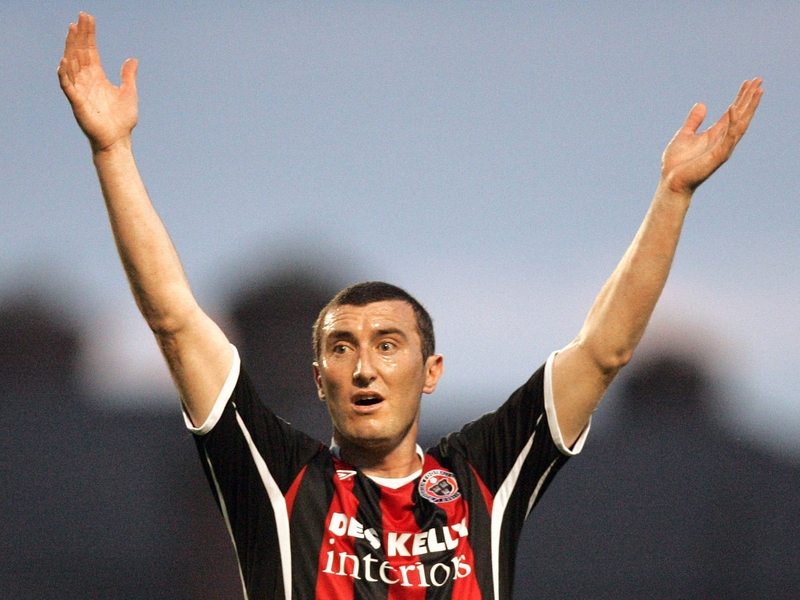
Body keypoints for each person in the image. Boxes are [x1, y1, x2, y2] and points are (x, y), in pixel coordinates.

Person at [58, 12, 762, 600]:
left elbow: (604, 351)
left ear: (431, 371)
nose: (365, 367)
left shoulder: (483, 476)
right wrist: (112, 149)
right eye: (342, 347)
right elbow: (176, 322)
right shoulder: (280, 484)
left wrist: (673, 196)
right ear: (317, 378)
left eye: (388, 344)